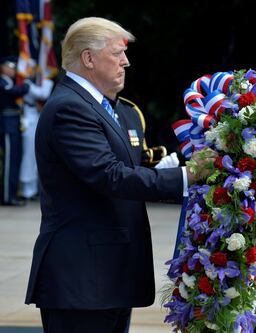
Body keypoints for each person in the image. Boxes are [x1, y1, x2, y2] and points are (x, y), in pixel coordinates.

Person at [24, 17, 215, 333]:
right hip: (82, 280)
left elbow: (125, 170)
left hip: (105, 277)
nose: (126, 61)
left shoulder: (102, 107)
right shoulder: (70, 108)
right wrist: (187, 175)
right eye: (116, 53)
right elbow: (110, 176)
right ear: (88, 58)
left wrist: (168, 171)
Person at [19, 61, 54, 200]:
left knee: (35, 154)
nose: (32, 71)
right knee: (27, 154)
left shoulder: (32, 83)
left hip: (37, 116)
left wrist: (30, 84)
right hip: (26, 117)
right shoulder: (23, 81)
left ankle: (33, 189)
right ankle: (26, 189)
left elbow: (43, 94)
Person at [0, 56, 29, 206]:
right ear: (3, 67)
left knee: (14, 160)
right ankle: (6, 196)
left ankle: (11, 193)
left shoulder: (10, 82)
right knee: (9, 162)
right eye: (10, 66)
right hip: (7, 125)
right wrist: (26, 85)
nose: (13, 69)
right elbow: (13, 92)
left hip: (14, 124)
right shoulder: (3, 82)